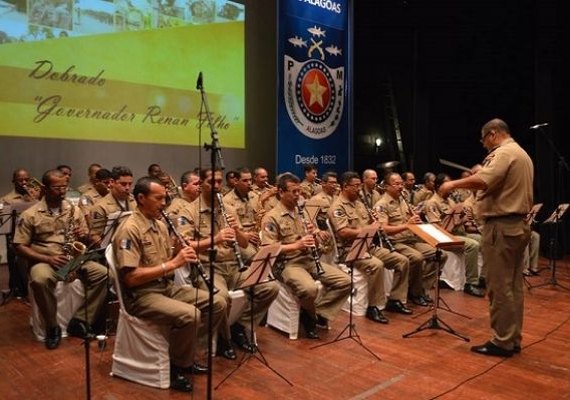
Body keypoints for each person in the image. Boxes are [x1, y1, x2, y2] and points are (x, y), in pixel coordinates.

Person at [112, 176, 226, 392]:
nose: (164, 204)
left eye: (165, 198)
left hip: (165, 288)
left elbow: (166, 259)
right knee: (190, 314)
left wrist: (178, 251)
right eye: (159, 198)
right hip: (141, 295)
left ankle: (185, 352)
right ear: (141, 198)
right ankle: (177, 367)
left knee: (217, 303)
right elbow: (131, 278)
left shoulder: (159, 224)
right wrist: (174, 263)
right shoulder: (130, 229)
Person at [439, 118, 533, 357]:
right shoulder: (522, 153)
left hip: (501, 226)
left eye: (484, 140)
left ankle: (501, 342)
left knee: (499, 287)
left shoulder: (503, 153)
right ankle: (512, 337)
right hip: (516, 225)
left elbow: (484, 180)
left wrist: (452, 185)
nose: (484, 145)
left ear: (492, 134)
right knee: (513, 287)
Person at [182, 168, 279, 358]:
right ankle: (224, 339)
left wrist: (238, 231)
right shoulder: (189, 212)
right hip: (209, 268)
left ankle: (238, 326)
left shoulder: (228, 208)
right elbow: (185, 246)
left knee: (270, 287)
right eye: (212, 182)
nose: (217, 186)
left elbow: (243, 243)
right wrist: (216, 239)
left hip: (234, 267)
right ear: (201, 184)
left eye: (219, 182)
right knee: (222, 299)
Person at [13, 169, 108, 349]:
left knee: (104, 274)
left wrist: (84, 235)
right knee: (40, 280)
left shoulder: (74, 210)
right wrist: (47, 259)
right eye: (57, 188)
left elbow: (84, 237)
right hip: (45, 259)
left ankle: (80, 320)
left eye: (64, 187)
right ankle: (52, 327)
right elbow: (19, 246)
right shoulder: (30, 214)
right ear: (45, 188)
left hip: (72, 258)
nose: (63, 191)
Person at [261, 173, 351, 338]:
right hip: (287, 264)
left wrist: (315, 237)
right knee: (309, 289)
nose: (298, 196)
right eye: (293, 192)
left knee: (345, 281)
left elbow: (310, 239)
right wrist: (296, 245)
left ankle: (319, 314)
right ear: (281, 192)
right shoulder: (271, 217)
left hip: (308, 260)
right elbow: (268, 248)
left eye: (299, 191)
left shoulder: (301, 212)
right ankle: (310, 316)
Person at [329, 171, 411, 324]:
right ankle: (373, 307)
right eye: (355, 186)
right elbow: (344, 232)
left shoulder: (360, 204)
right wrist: (368, 230)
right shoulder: (337, 207)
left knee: (402, 260)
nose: (359, 189)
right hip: (349, 250)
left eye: (359, 186)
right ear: (345, 187)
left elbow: (371, 225)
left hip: (368, 245)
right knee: (377, 265)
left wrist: (375, 225)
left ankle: (395, 299)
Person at [374, 172, 446, 306]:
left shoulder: (403, 200)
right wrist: (407, 225)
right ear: (387, 186)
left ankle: (420, 288)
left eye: (401, 183)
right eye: (396, 184)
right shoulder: (382, 205)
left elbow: (413, 219)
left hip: (411, 240)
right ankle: (412, 294)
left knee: (440, 254)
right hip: (394, 242)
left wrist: (416, 217)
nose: (400, 187)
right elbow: (382, 229)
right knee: (417, 258)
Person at [423, 173, 484, 297]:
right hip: (443, 237)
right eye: (447, 185)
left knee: (484, 240)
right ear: (439, 186)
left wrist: (464, 219)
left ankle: (482, 276)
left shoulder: (450, 201)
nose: (451, 188)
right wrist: (456, 221)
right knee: (472, 245)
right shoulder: (432, 203)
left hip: (457, 233)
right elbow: (438, 229)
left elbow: (456, 222)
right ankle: (470, 283)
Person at [89, 166, 136, 245]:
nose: (127, 188)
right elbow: (95, 236)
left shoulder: (134, 201)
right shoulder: (100, 206)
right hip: (111, 249)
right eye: (123, 184)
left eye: (130, 184)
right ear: (112, 182)